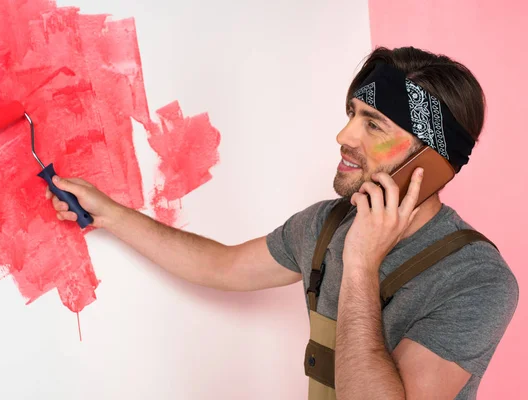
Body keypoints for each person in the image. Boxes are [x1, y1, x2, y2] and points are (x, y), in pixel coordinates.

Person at [46, 47, 519, 399]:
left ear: (432, 163)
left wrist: (359, 264)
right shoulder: (325, 225)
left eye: (372, 124)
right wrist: (109, 213)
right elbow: (222, 266)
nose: (343, 135)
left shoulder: (477, 281)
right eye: (351, 114)